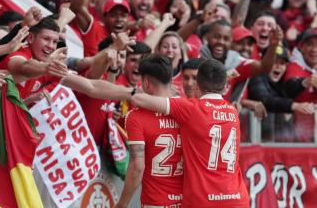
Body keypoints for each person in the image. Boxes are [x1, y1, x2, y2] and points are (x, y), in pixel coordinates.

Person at [60, 59, 250, 207]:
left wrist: (64, 76)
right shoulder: (232, 112)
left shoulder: (187, 109)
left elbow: (137, 166)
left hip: (194, 200)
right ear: (225, 86)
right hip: (236, 197)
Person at [116, 54, 183, 208]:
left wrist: (122, 204)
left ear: (145, 82)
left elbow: (137, 166)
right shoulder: (188, 110)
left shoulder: (136, 117)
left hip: (156, 201)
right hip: (187, 200)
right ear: (171, 80)